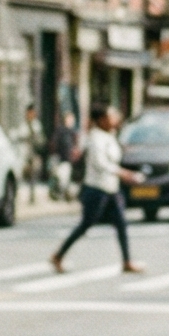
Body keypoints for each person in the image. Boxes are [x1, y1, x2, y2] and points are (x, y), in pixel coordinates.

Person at [50, 104, 144, 274]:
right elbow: (100, 163)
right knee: (86, 225)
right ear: (101, 120)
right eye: (110, 116)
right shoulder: (95, 138)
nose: (114, 119)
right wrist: (123, 174)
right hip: (96, 189)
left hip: (112, 189)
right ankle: (58, 255)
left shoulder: (111, 136)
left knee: (121, 224)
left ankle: (127, 261)